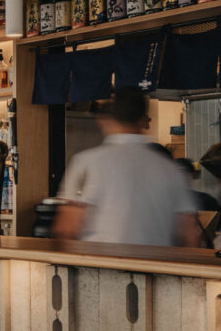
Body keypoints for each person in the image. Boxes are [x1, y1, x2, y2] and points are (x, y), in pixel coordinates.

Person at [53, 87, 200, 247]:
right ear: (144, 121)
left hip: (99, 266)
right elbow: (190, 234)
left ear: (104, 120)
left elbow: (68, 228)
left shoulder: (87, 162)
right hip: (157, 268)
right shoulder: (171, 169)